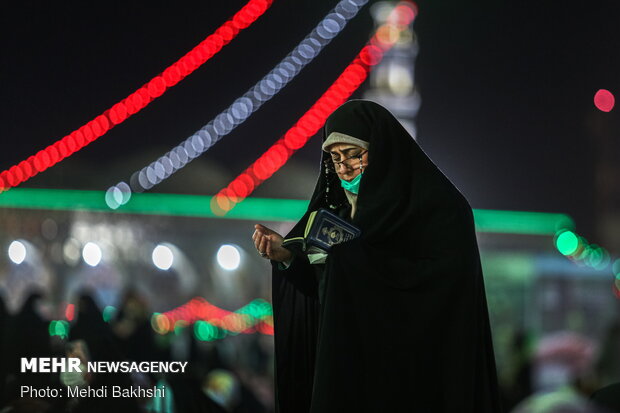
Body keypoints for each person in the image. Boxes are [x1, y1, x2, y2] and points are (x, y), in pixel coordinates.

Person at [252, 99, 502, 412]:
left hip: (417, 380)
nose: (344, 167)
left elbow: (441, 296)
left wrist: (352, 260)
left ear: (381, 149)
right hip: (353, 372)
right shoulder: (338, 212)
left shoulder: (440, 209)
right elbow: (324, 293)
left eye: (355, 154)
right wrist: (288, 258)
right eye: (335, 157)